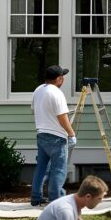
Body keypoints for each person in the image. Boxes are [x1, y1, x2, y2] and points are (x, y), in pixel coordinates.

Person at [30, 64, 76, 207]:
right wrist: (71, 134)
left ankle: (36, 197)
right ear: (59, 79)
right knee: (58, 169)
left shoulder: (38, 90)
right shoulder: (56, 93)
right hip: (57, 137)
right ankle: (56, 200)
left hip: (41, 134)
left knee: (41, 168)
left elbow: (34, 110)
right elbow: (62, 117)